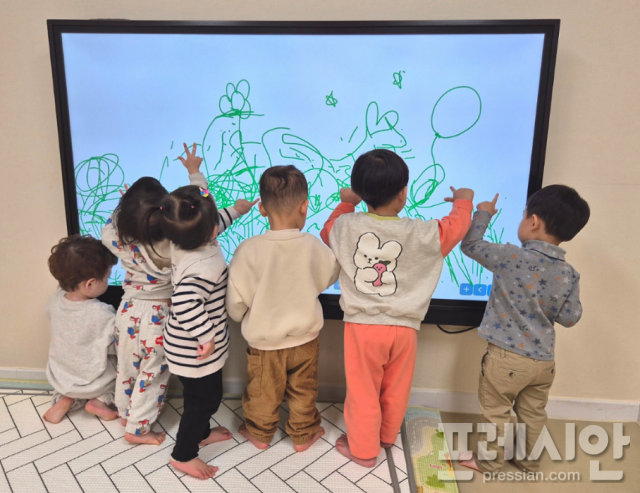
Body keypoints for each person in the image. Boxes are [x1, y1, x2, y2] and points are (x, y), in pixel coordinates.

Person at [320, 149, 474, 467]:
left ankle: (364, 451)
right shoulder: (422, 232)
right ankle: (386, 437)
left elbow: (327, 229)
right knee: (396, 388)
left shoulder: (345, 225)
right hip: (405, 329)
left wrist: (347, 202)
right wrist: (463, 201)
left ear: (361, 191)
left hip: (363, 328)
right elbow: (456, 227)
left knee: (363, 391)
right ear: (403, 193)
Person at [102, 143, 254, 445]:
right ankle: (137, 429)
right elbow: (206, 219)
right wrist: (201, 179)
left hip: (128, 311)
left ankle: (125, 413)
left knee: (127, 368)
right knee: (152, 376)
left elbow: (115, 223)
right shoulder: (176, 244)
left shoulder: (114, 237)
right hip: (157, 317)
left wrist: (127, 207)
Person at [459, 185, 590, 474]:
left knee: (496, 413)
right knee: (533, 414)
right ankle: (528, 461)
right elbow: (570, 318)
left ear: (533, 222)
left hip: (506, 359)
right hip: (543, 362)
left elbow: (470, 245)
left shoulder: (510, 256)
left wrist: (484, 213)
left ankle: (489, 462)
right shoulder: (569, 273)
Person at [226, 165, 340, 452]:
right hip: (305, 339)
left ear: (262, 208)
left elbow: (236, 301)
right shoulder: (312, 245)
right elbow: (331, 273)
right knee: (304, 390)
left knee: (263, 390)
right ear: (305, 206)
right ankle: (303, 434)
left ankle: (260, 433)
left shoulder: (248, 249)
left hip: (264, 343)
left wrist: (239, 315)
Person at [160, 182, 256, 479]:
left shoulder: (181, 240)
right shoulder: (203, 266)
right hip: (195, 349)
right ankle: (183, 454)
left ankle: (201, 434)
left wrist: (237, 211)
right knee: (204, 401)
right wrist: (206, 337)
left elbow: (206, 217)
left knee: (199, 396)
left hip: (185, 346)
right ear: (212, 231)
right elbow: (185, 303)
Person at [43, 235, 119, 424]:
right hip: (94, 384)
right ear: (90, 284)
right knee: (122, 373)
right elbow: (115, 346)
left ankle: (65, 399)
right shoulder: (103, 313)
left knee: (71, 364)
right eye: (107, 277)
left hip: (62, 379)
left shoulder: (54, 301)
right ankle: (98, 402)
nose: (108, 281)